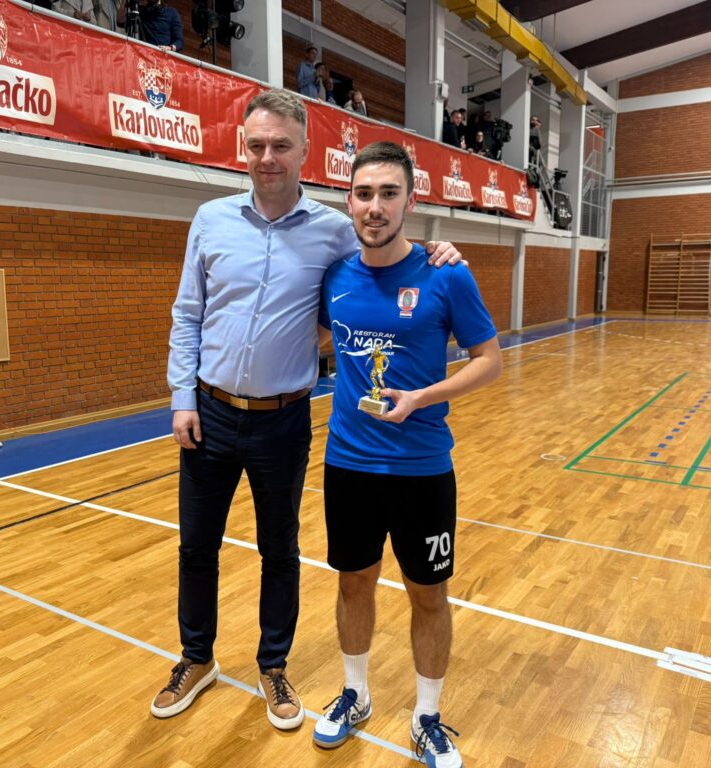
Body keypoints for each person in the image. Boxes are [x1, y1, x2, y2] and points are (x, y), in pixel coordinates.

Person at [154, 90, 465, 730]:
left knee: (280, 549)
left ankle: (274, 665)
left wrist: (441, 251)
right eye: (256, 145)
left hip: (284, 418)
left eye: (280, 145)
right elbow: (187, 315)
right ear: (243, 148)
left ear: (305, 152)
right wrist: (182, 396)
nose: (267, 157)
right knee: (196, 547)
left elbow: (387, 252)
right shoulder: (209, 219)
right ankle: (196, 657)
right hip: (209, 414)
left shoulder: (335, 230)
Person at [313, 141, 502, 767]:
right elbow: (313, 338)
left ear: (410, 202)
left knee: (429, 595)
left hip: (422, 470)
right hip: (348, 465)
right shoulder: (335, 276)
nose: (375, 207)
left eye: (388, 194)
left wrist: (422, 397)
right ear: (349, 201)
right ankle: (355, 694)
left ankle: (426, 717)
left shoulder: (446, 274)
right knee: (353, 584)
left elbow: (489, 361)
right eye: (364, 194)